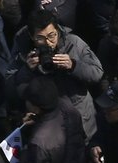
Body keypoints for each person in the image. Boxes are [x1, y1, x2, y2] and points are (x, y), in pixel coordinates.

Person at [7, 9, 104, 139]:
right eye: (40, 38)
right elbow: (10, 88)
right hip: (47, 124)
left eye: (51, 36)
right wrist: (27, 70)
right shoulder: (22, 50)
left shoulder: (73, 43)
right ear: (31, 36)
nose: (48, 42)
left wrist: (73, 66)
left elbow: (97, 73)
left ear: (57, 30)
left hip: (80, 116)